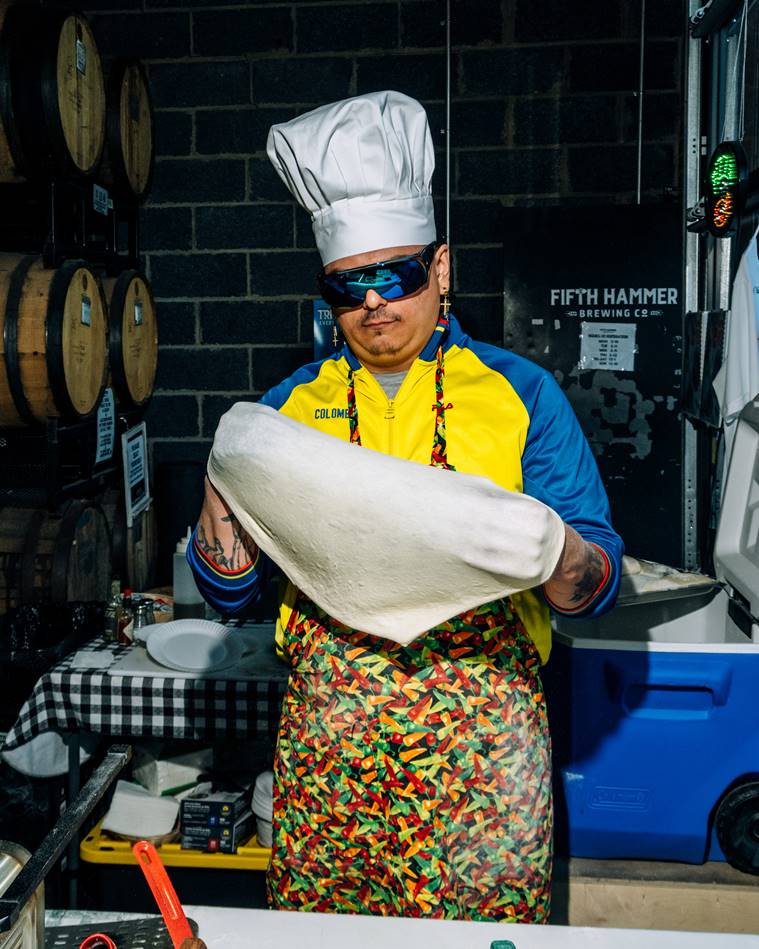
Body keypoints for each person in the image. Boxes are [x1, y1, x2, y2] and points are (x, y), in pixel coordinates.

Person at [188, 91, 623, 923]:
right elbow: (234, 597)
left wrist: (558, 555)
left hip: (484, 751)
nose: (376, 303)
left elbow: (593, 585)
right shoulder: (282, 415)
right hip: (332, 751)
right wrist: (220, 521)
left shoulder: (520, 394)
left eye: (399, 275)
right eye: (349, 287)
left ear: (443, 268)